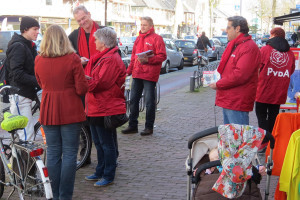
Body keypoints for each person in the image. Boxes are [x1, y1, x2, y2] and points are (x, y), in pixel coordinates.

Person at [35, 25, 88, 200]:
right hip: (70, 108)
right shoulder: (73, 59)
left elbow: (41, 83)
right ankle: (65, 196)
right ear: (64, 39)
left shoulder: (39, 60)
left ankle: (53, 194)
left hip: (49, 108)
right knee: (70, 153)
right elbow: (81, 89)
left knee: (53, 152)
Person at [84, 27, 126, 187]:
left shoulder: (110, 59)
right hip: (95, 106)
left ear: (103, 42)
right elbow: (94, 81)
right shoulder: (100, 57)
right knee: (99, 142)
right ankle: (100, 170)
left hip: (104, 107)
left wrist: (82, 79)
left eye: (96, 39)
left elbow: (99, 84)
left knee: (106, 143)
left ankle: (108, 174)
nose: (94, 41)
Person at [68, 5, 104, 165]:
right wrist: (78, 59)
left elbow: (113, 51)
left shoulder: (103, 31)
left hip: (102, 80)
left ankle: (110, 156)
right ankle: (85, 154)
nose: (82, 22)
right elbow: (69, 54)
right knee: (84, 119)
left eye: (84, 18)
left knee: (104, 121)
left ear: (89, 14)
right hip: (83, 81)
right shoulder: (74, 35)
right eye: (79, 20)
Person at [209, 16, 261, 125]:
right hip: (230, 99)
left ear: (237, 29)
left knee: (238, 137)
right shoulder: (236, 45)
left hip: (237, 100)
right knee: (230, 136)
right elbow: (228, 69)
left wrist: (219, 84)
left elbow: (240, 75)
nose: (226, 31)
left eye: (228, 28)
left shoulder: (248, 48)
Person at [121, 16, 167, 136]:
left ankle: (149, 127)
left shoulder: (157, 39)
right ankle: (132, 125)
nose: (142, 27)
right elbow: (133, 58)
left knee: (149, 102)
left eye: (145, 25)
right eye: (141, 25)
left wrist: (148, 60)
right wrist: (128, 71)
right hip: (137, 73)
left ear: (151, 26)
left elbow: (162, 56)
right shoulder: (138, 39)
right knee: (133, 100)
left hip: (149, 75)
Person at [255, 27, 295, 142]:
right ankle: (271, 140)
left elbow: (258, 68)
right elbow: (291, 71)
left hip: (263, 89)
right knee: (274, 116)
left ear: (273, 35)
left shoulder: (264, 50)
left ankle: (264, 141)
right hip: (279, 90)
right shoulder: (290, 53)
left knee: (261, 116)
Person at [5, 16, 40, 141]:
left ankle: (18, 159)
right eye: (35, 29)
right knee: (27, 135)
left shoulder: (29, 45)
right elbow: (17, 74)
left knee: (25, 134)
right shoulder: (19, 46)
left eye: (38, 29)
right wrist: (39, 81)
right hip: (20, 95)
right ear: (25, 29)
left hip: (27, 93)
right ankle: (25, 160)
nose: (38, 32)